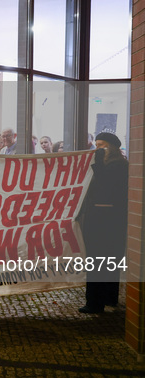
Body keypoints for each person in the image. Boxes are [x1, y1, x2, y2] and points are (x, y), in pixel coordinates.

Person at [77, 132, 128, 313]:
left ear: (112, 147)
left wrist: (97, 164)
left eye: (101, 145)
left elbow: (106, 186)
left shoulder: (118, 166)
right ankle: (107, 297)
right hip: (103, 218)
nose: (97, 149)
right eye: (96, 145)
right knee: (105, 259)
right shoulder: (110, 165)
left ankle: (96, 302)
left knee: (102, 259)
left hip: (107, 220)